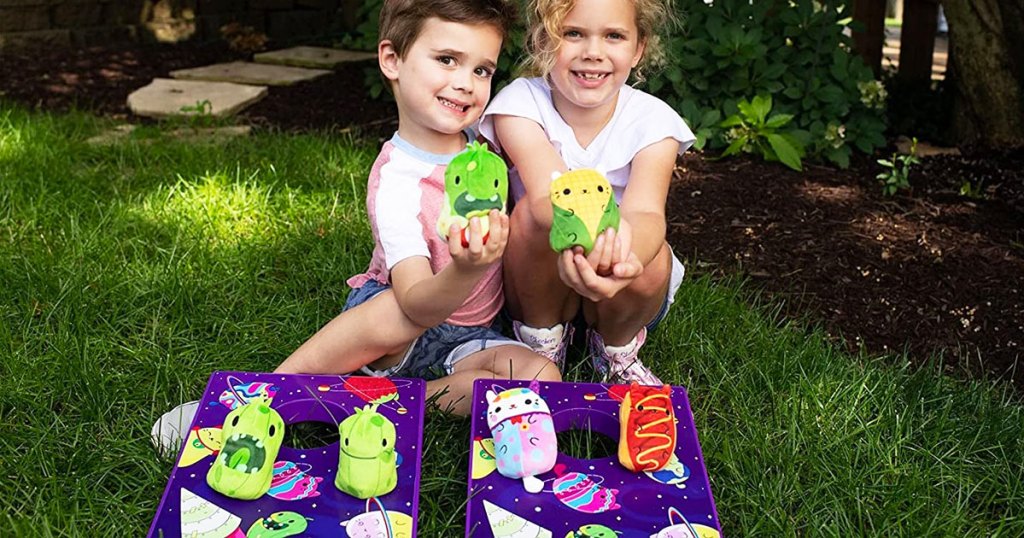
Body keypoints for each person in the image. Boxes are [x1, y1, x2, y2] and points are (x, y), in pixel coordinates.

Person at [152, 0, 560, 454]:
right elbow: (418, 304)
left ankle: (392, 405)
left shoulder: (486, 146)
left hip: (470, 335)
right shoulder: (396, 181)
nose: (465, 83)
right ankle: (263, 397)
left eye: (482, 70)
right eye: (447, 60)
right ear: (392, 60)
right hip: (402, 325)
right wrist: (466, 268)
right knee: (390, 313)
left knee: (541, 377)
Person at [478, 0, 694, 385]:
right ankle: (540, 341)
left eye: (614, 36)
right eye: (573, 33)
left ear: (638, 47)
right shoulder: (519, 105)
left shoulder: (654, 122)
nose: (593, 53)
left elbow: (646, 214)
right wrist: (586, 245)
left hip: (618, 280)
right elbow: (551, 196)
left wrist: (622, 257)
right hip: (537, 281)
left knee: (654, 255)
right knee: (530, 214)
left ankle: (616, 349)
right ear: (545, 39)